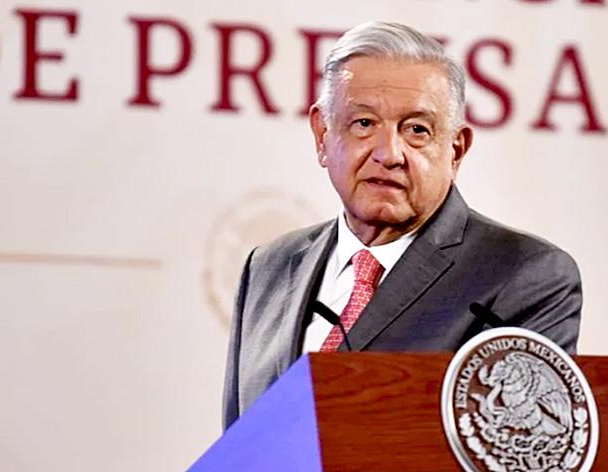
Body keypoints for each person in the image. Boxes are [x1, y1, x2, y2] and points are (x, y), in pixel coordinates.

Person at [222, 21, 581, 429]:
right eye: (364, 123)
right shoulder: (268, 267)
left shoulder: (524, 275)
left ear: (456, 150)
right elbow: (239, 441)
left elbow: (517, 441)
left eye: (416, 130)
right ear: (323, 135)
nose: (388, 154)